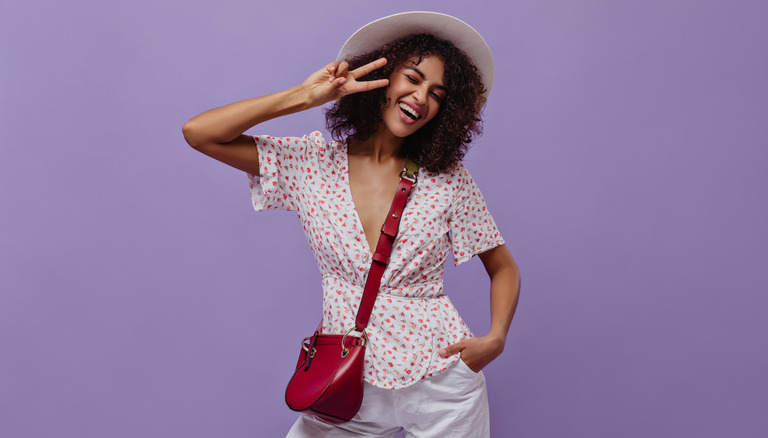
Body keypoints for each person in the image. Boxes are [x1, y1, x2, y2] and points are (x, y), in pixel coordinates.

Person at [182, 11, 520, 438]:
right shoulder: (311, 165)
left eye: (437, 93)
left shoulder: (448, 180)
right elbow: (199, 133)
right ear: (383, 77)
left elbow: (503, 266)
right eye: (412, 78)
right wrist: (304, 96)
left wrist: (496, 338)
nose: (421, 97)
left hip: (441, 377)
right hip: (344, 378)